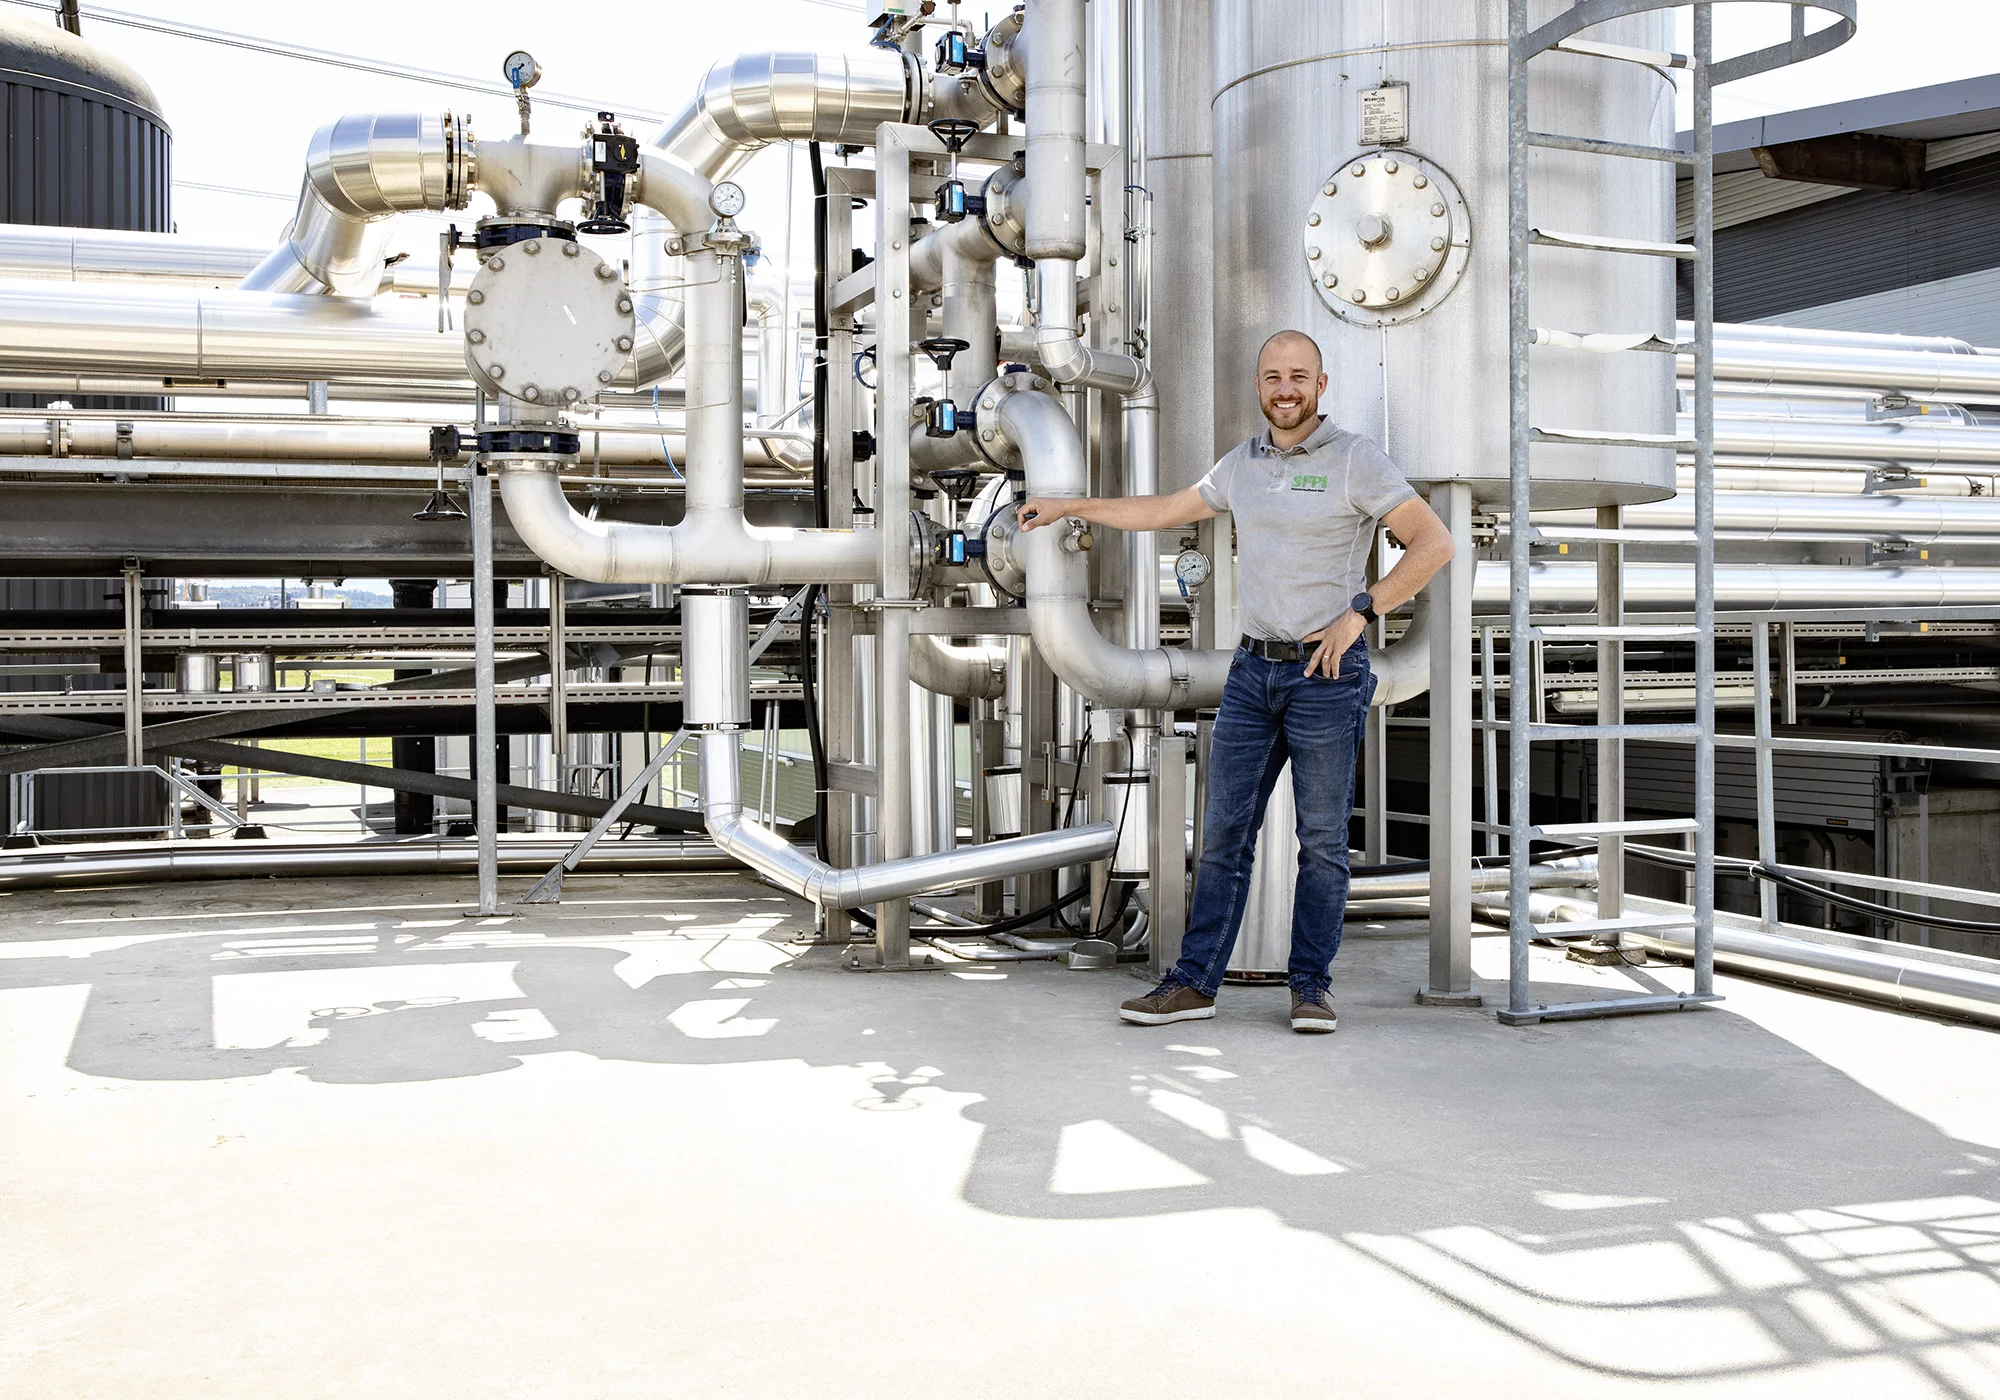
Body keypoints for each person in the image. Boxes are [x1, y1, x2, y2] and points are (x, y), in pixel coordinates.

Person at [1017, 329, 1455, 1033]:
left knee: (1321, 841)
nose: (1286, 389)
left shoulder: (1355, 460)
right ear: (1259, 387)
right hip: (1252, 671)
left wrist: (1362, 613)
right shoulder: (1242, 465)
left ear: (1321, 386)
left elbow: (1435, 542)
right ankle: (1194, 984)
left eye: (1299, 377)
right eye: (1274, 377)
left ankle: (1311, 987)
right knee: (1223, 835)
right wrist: (1073, 507)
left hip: (1327, 674)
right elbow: (1162, 510)